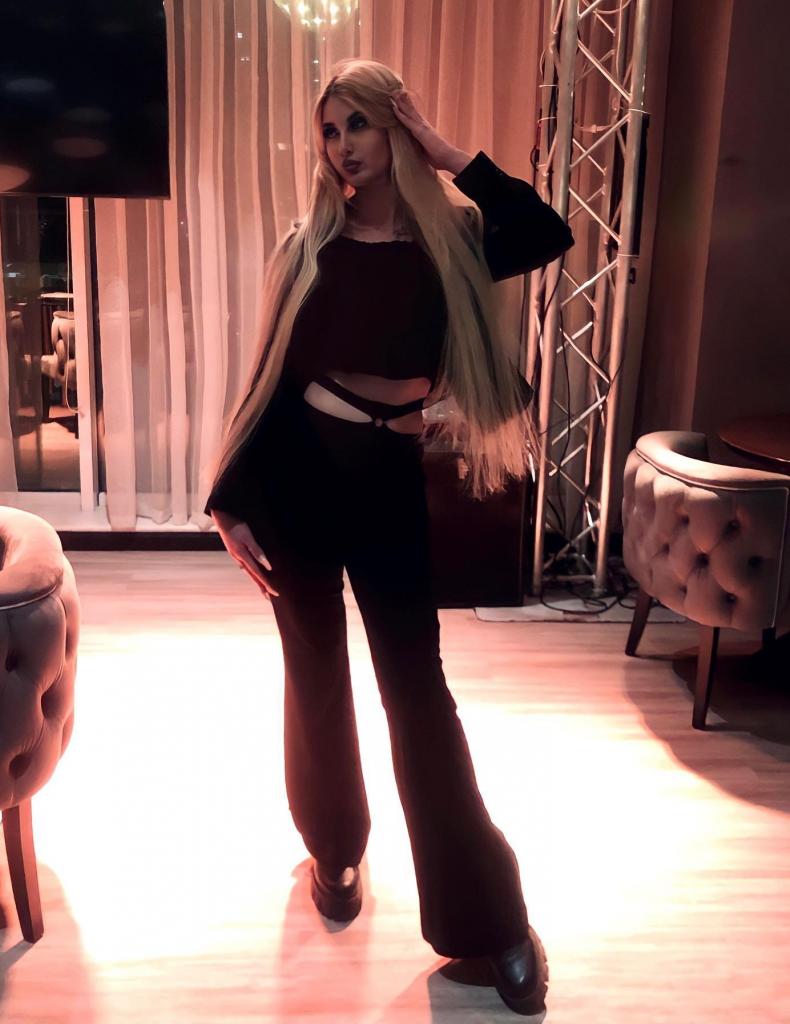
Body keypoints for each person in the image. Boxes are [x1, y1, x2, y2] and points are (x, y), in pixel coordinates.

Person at [204, 58, 574, 1016]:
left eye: (359, 125)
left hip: (389, 481)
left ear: (396, 127)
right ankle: (334, 851)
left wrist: (449, 154)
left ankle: (488, 921)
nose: (342, 148)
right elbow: (271, 380)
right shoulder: (309, 248)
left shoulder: (456, 238)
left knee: (418, 696)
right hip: (298, 476)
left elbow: (548, 231)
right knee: (315, 672)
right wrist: (228, 501)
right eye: (329, 131)